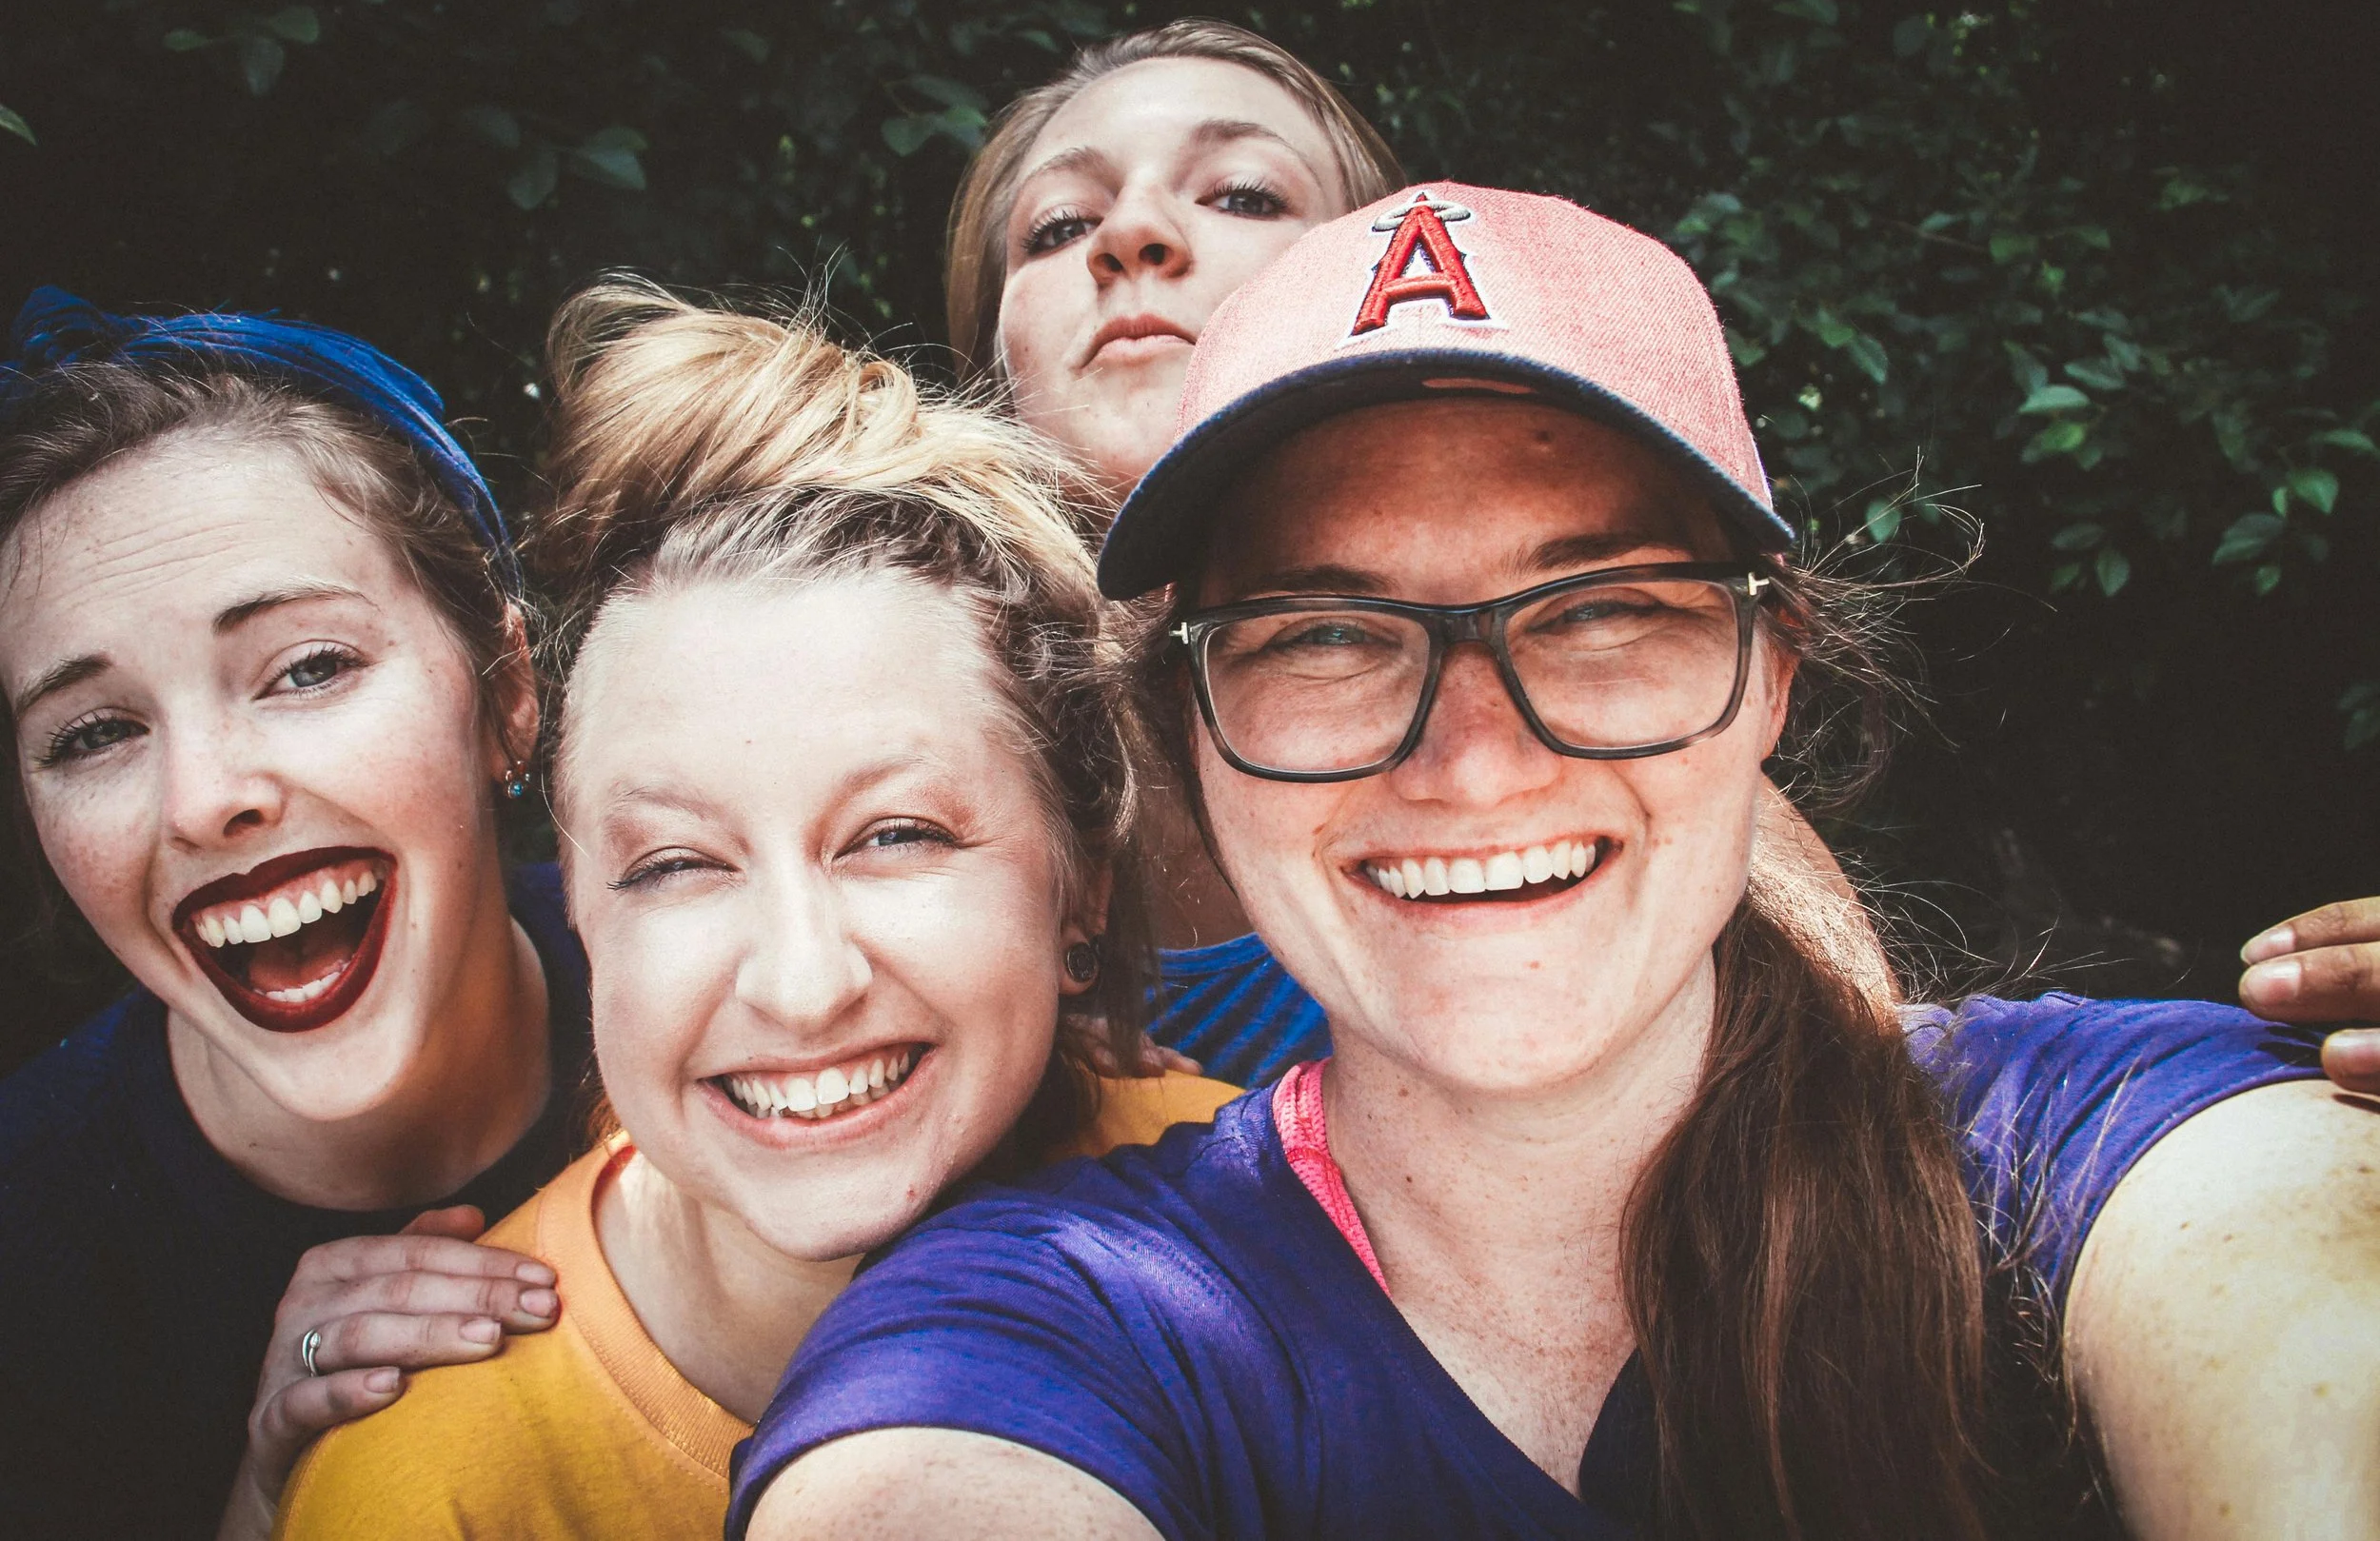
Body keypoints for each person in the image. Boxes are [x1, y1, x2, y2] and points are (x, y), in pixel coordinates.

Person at [727, 186, 2378, 1539]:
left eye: (1599, 610)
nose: (1475, 754)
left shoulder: (2085, 1149)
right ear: (1194, 724)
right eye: (1325, 631)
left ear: (1775, 667)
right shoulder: (1059, 1320)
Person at [269, 283, 1235, 1538]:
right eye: (676, 863)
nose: (801, 981)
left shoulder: (1274, 1221)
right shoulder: (427, 1482)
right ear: (580, 914)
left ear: (1081, 885)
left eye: (896, 835)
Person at [946, 21, 1897, 1082]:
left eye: (1243, 194)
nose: (1131, 233)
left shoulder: (1661, 786)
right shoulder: (903, 770)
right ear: (989, 365)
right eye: (1059, 224)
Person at [0, 292, 584, 1538]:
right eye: (95, 732)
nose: (206, 800)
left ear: (509, 694)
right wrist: (270, 1506)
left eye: (307, 665)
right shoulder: (25, 1250)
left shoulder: (730, 992)